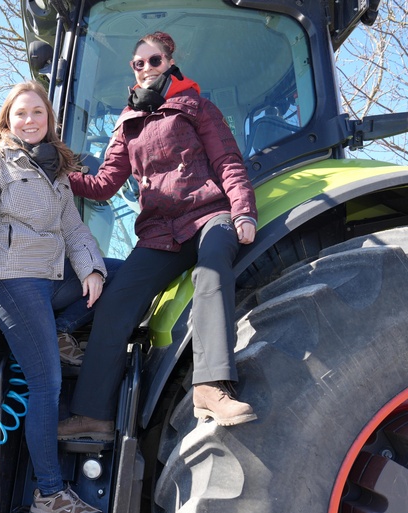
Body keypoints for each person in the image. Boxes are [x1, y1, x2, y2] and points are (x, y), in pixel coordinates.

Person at [58, 31, 258, 439]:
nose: (145, 68)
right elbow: (103, 184)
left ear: (169, 63)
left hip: (206, 215)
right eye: (138, 63)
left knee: (213, 266)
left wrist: (242, 212)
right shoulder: (128, 123)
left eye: (154, 60)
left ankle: (210, 386)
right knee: (116, 301)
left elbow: (227, 161)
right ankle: (95, 414)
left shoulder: (196, 108)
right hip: (159, 233)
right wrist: (59, 175)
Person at [0, 81, 109, 513]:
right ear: (8, 119)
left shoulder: (55, 174)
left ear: (48, 120)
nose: (29, 120)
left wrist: (92, 269)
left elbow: (75, 233)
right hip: (13, 282)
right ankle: (50, 494)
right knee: (46, 384)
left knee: (119, 273)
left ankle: (59, 333)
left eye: (37, 112)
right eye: (21, 113)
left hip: (51, 278)